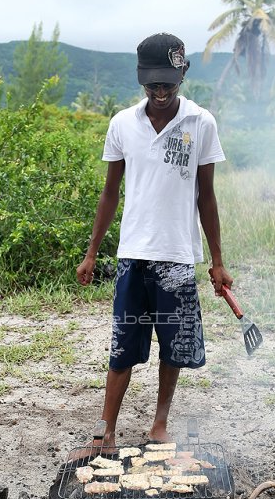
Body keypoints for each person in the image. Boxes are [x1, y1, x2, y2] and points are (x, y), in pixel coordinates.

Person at [76, 32, 233, 446]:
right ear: (140, 79)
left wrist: (217, 260)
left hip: (178, 256)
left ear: (183, 74)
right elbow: (110, 193)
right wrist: (92, 253)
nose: (161, 93)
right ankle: (105, 430)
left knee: (174, 347)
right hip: (133, 255)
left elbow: (207, 196)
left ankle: (159, 424)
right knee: (123, 345)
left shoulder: (201, 123)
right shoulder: (122, 124)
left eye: (168, 83)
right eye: (152, 85)